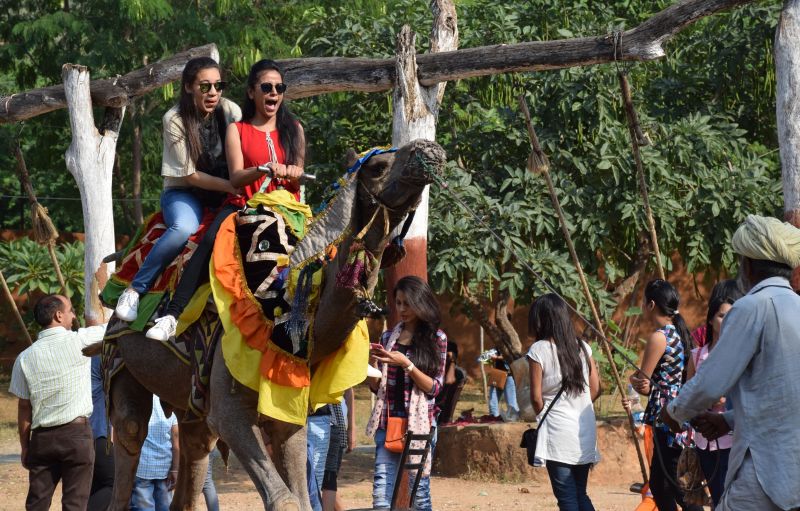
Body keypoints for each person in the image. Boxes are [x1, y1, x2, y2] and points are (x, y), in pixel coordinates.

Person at [146, 58, 305, 341]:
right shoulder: (238, 129)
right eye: (266, 87)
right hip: (245, 203)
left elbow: (297, 177)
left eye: (279, 87)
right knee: (209, 243)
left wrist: (293, 172)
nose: (274, 93)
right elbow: (235, 179)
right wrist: (262, 169)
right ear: (251, 92)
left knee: (325, 253)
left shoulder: (295, 129)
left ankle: (339, 335)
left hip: (286, 208)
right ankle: (172, 314)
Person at [662, 215, 800, 511]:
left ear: (747, 266)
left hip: (766, 468)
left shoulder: (752, 307)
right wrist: (727, 420)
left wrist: (675, 412)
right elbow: (782, 397)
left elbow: (711, 381)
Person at [115, 56, 242, 323]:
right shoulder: (173, 119)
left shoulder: (232, 111)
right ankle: (135, 290)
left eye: (219, 86)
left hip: (227, 193)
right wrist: (233, 185)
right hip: (185, 192)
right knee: (183, 228)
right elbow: (191, 176)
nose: (213, 93)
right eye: (205, 86)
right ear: (188, 87)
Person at [9, 294, 106, 511]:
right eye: (71, 310)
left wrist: (26, 447)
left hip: (42, 439)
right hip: (76, 437)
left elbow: (24, 407)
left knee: (37, 504)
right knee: (75, 505)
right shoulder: (79, 340)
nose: (73, 316)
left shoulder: (24, 358)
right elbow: (112, 329)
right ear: (58, 315)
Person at [366, 276, 447, 511]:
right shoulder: (387, 338)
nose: (401, 309)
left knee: (419, 495)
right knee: (381, 495)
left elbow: (435, 388)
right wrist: (370, 368)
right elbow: (376, 386)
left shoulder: (436, 339)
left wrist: (407, 365)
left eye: (407, 303)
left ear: (421, 303)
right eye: (398, 303)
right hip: (387, 423)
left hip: (419, 426)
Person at [629, 280, 702, 511]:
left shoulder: (659, 337)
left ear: (651, 304)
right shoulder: (682, 333)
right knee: (662, 484)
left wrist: (633, 378)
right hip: (679, 411)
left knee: (673, 483)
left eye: (643, 302)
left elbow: (643, 382)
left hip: (665, 418)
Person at [527, 293, 601, 510]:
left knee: (567, 498)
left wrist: (545, 414)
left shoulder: (538, 350)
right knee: (580, 493)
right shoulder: (583, 347)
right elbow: (596, 389)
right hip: (584, 429)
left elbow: (535, 397)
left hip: (558, 432)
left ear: (540, 319)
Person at [684, 279, 743, 508]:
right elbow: (687, 395)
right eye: (720, 316)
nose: (725, 321)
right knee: (716, 496)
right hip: (704, 441)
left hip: (732, 440)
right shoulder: (698, 355)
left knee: (728, 498)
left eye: (730, 315)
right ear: (710, 318)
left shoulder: (741, 355)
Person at [130, 395, 179, 511]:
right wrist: (175, 469)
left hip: (142, 468)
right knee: (165, 508)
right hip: (165, 469)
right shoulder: (170, 405)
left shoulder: (138, 403)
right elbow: (176, 442)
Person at [320, 389, 356, 511]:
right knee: (325, 481)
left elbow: (349, 390)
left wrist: (352, 428)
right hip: (324, 422)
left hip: (337, 425)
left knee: (329, 479)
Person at [88, 355, 114, 511]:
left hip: (84, 432)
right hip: (99, 433)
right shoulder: (97, 358)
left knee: (93, 485)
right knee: (114, 484)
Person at [487, 351, 520, 421]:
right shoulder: (497, 346)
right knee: (493, 396)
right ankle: (494, 416)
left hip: (509, 375)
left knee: (511, 399)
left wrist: (497, 357)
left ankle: (513, 417)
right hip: (497, 373)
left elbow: (512, 355)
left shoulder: (509, 344)